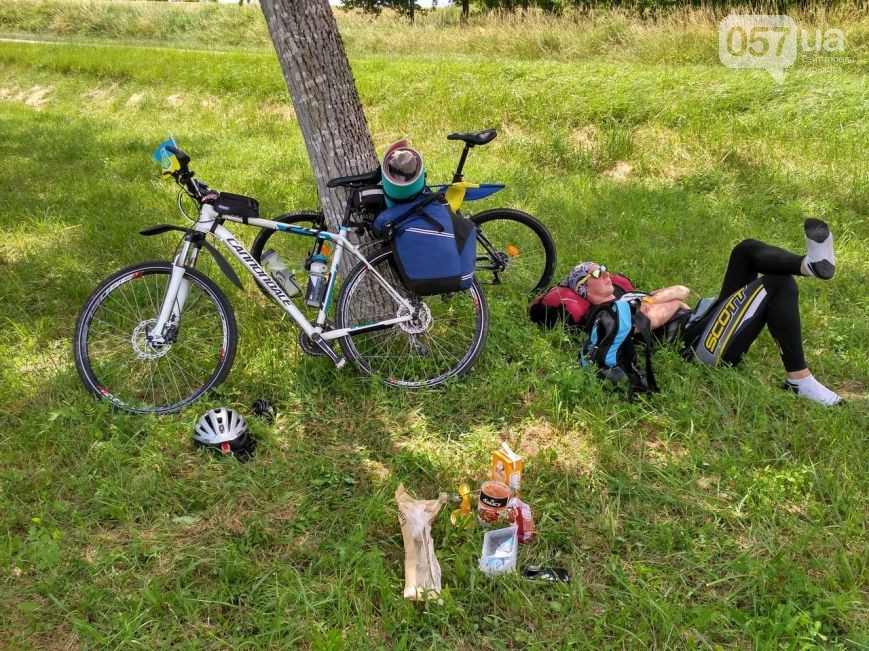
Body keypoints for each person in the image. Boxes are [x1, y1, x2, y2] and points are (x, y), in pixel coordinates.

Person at [565, 219, 841, 406]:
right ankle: (799, 380)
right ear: (582, 289)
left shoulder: (627, 297)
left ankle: (809, 265)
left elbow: (682, 290)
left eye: (604, 267)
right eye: (597, 273)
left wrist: (660, 300)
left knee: (744, 249)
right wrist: (665, 303)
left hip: (699, 321)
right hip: (698, 345)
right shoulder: (601, 314)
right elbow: (652, 319)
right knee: (778, 284)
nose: (606, 273)